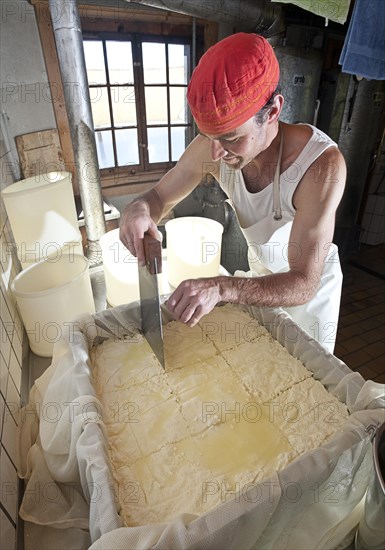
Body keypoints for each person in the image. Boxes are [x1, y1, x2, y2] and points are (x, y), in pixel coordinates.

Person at [119, 32, 346, 353]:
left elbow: (303, 282)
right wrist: (139, 209)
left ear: (272, 112)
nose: (215, 153)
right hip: (259, 278)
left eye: (230, 138)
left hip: (308, 296)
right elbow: (158, 198)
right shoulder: (214, 147)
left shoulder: (320, 166)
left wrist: (221, 287)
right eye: (208, 136)